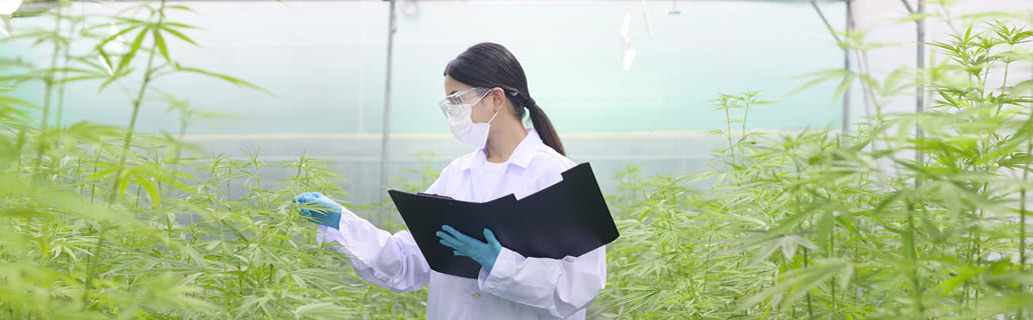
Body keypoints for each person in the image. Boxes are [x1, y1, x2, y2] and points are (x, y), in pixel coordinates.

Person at [293, 42, 606, 320]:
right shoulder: (456, 175)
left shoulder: (556, 176)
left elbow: (579, 287)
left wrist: (502, 265)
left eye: (457, 100)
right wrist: (342, 223)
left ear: (496, 98)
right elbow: (407, 263)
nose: (451, 112)